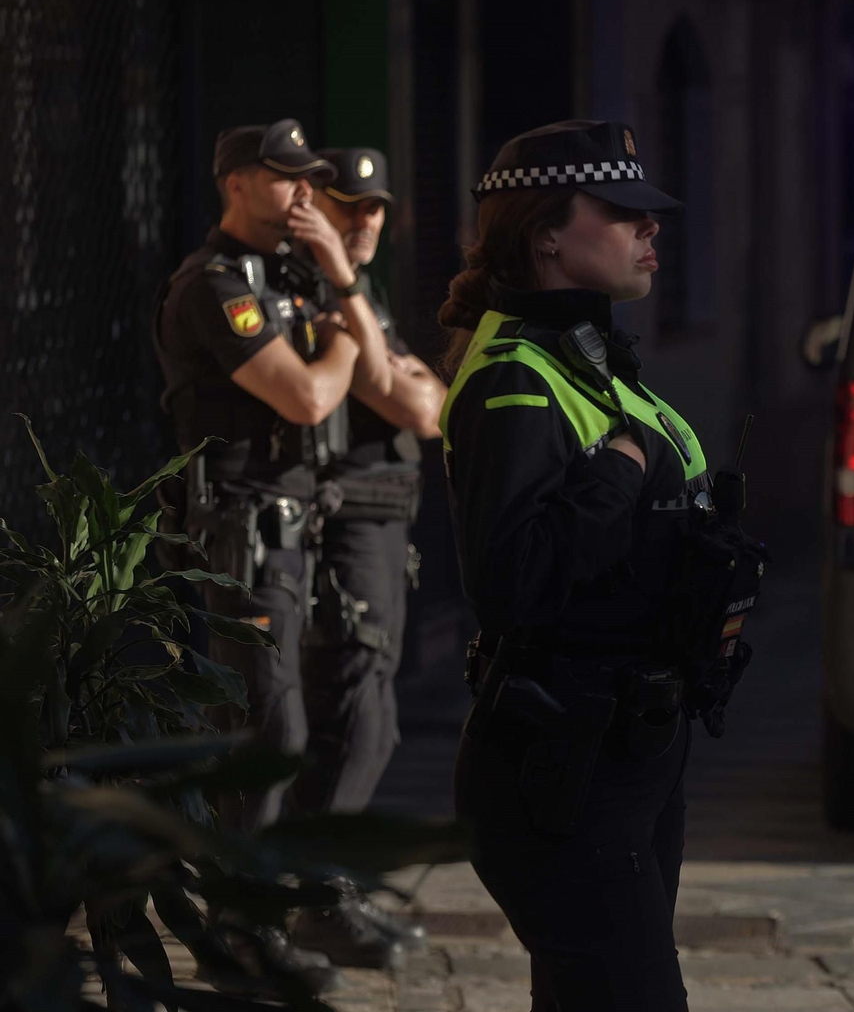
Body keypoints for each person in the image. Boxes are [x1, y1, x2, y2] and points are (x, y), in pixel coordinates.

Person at [440, 120, 763, 1010]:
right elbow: (511, 584)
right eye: (623, 214)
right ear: (547, 233)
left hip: (631, 745)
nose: (650, 232)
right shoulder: (516, 376)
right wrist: (619, 471)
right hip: (564, 758)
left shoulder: (590, 363)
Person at [151, 118, 395, 990]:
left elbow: (400, 391)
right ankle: (240, 930)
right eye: (282, 177)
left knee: (313, 722)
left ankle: (285, 912)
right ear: (234, 184)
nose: (301, 193)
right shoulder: (216, 285)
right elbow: (307, 396)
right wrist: (338, 340)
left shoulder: (284, 278)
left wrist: (338, 306)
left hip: (293, 533)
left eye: (306, 179)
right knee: (266, 728)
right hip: (241, 533)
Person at [286, 148, 444, 966]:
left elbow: (429, 401)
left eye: (377, 207)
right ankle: (315, 897)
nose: (368, 221)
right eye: (351, 206)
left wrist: (407, 378)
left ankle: (331, 885)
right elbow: (405, 395)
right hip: (350, 519)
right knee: (351, 716)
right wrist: (400, 372)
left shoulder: (361, 290)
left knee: (374, 720)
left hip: (387, 518)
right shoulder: (321, 289)